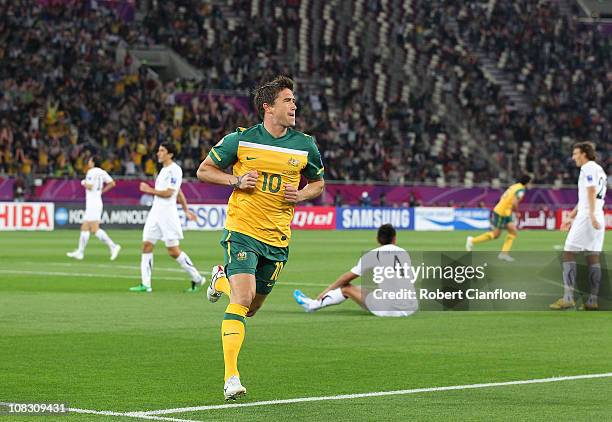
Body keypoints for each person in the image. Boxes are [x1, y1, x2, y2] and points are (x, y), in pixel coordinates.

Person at [196, 76, 325, 400]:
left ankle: (219, 281)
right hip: (242, 230)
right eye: (287, 100)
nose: (294, 105)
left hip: (278, 238)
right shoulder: (240, 140)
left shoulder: (305, 144)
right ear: (268, 107)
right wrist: (236, 179)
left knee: (250, 308)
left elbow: (318, 183)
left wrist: (302, 194)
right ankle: (231, 378)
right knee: (243, 299)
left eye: (294, 100)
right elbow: (204, 170)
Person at [293, 224, 418, 317]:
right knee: (364, 290)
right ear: (394, 239)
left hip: (391, 309)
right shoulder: (404, 253)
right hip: (410, 306)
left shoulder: (374, 255)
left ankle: (312, 305)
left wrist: (325, 291)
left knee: (346, 288)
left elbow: (346, 278)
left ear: (377, 239)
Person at [129, 142, 204, 293]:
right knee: (146, 245)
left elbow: (170, 193)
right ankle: (146, 284)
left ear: (170, 154)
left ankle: (197, 278)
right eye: (158, 150)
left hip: (167, 215)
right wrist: (186, 210)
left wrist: (149, 190)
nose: (158, 153)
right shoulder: (163, 170)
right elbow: (179, 192)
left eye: (162, 150)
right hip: (155, 213)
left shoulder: (175, 170)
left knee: (173, 251)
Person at [550, 142, 606, 310]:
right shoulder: (599, 169)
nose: (573, 157)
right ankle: (592, 301)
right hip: (597, 214)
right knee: (592, 256)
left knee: (568, 253)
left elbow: (590, 191)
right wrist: (571, 217)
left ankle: (568, 298)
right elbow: (587, 197)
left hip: (588, 216)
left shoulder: (587, 168)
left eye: (575, 154)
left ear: (584, 154)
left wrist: (589, 216)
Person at [465, 174, 532, 261]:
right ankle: (472, 240)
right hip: (502, 212)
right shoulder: (521, 190)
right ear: (527, 182)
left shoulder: (514, 186)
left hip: (505, 211)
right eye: (530, 182)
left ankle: (504, 254)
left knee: (513, 232)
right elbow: (515, 202)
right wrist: (517, 212)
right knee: (496, 235)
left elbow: (504, 197)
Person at [67, 156, 121, 261]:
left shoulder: (91, 172)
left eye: (90, 160)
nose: (88, 162)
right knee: (84, 228)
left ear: (93, 162)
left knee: (95, 229)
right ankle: (80, 252)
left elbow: (90, 186)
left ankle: (113, 246)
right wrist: (101, 192)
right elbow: (112, 183)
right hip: (96, 202)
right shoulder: (102, 172)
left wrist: (83, 182)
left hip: (93, 204)